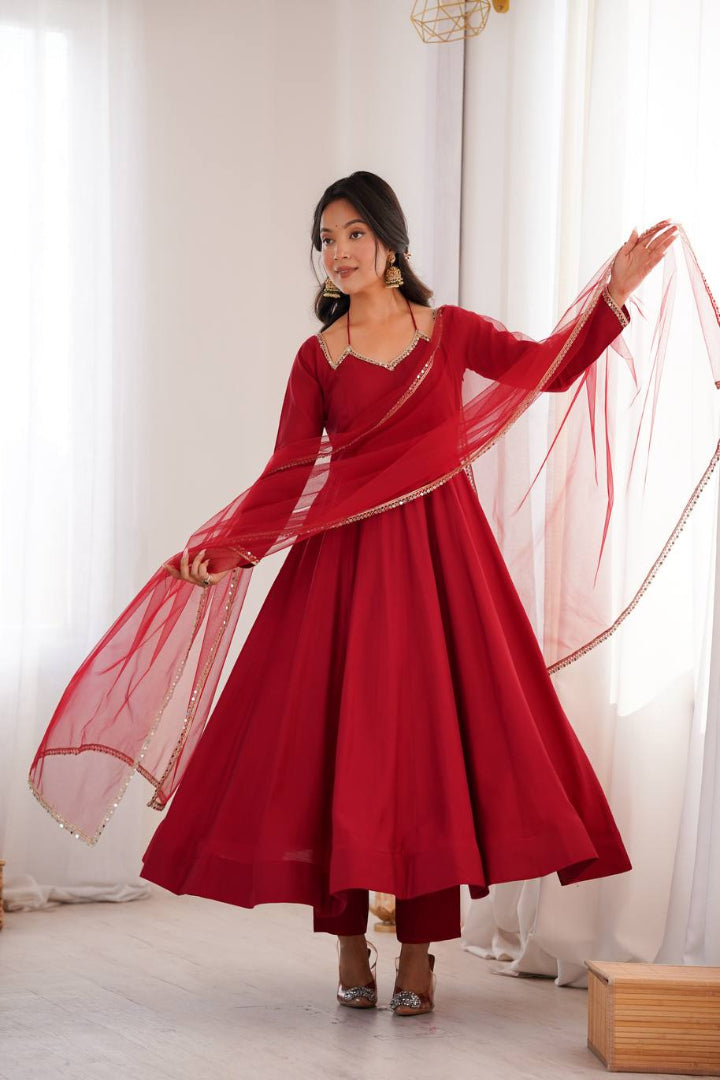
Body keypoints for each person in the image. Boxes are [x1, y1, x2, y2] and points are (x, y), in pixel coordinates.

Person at [132, 172, 677, 1016]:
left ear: (390, 242)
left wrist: (609, 296)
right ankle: (348, 936)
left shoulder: (450, 331)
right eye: (326, 239)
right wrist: (231, 549)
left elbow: (544, 371)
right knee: (337, 746)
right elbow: (287, 471)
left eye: (353, 234)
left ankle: (421, 950)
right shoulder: (318, 357)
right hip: (341, 569)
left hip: (441, 563)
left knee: (432, 748)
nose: (338, 251)